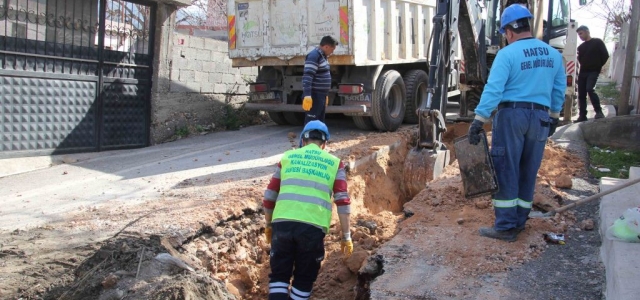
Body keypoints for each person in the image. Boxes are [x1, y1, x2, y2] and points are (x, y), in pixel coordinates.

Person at [467, 4, 566, 242]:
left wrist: (479, 119)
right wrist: (553, 117)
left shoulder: (507, 54)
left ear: (510, 31)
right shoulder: (553, 54)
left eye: (505, 33)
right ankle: (519, 222)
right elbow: (559, 90)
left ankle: (505, 227)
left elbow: (494, 89)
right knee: (528, 171)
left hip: (512, 116)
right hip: (540, 117)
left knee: (506, 169)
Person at [262, 120, 353, 300]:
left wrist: (268, 225)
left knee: (279, 275)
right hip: (312, 228)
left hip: (282, 225)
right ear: (325, 144)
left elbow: (269, 196)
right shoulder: (335, 163)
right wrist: (346, 236)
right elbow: (342, 201)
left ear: (303, 140)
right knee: (304, 278)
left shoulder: (288, 158)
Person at [576, 25, 609, 122]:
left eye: (581, 33)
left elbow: (605, 55)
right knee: (581, 94)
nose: (580, 36)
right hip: (583, 72)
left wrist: (598, 66)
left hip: (593, 71)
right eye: (578, 35)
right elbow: (580, 59)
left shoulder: (597, 42)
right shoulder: (581, 47)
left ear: (587, 32)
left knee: (590, 89)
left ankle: (599, 112)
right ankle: (582, 116)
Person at [302, 36, 338, 124]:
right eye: (332, 49)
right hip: (314, 95)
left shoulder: (322, 56)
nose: (332, 52)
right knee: (312, 121)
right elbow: (308, 76)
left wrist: (325, 94)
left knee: (319, 122)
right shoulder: (314, 56)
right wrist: (307, 95)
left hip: (320, 95)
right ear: (326, 47)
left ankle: (317, 137)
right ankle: (310, 137)